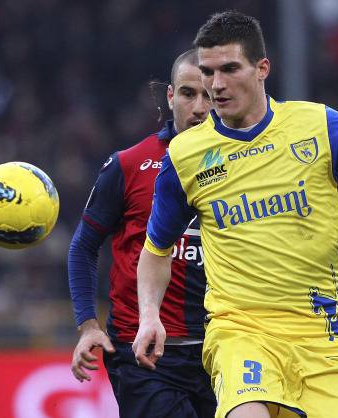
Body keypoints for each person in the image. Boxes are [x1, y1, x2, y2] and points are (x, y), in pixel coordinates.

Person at [132, 11, 338, 418]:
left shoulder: (322, 127)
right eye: (208, 72)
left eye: (230, 69)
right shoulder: (186, 155)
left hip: (324, 337)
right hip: (241, 331)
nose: (217, 84)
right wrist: (149, 316)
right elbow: (156, 249)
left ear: (262, 68)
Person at [68, 49, 216, 418]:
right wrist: (87, 324)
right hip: (145, 355)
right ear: (170, 96)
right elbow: (83, 246)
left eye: (209, 96)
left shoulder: (246, 166)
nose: (199, 108)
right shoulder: (129, 164)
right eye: (188, 94)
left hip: (222, 350)